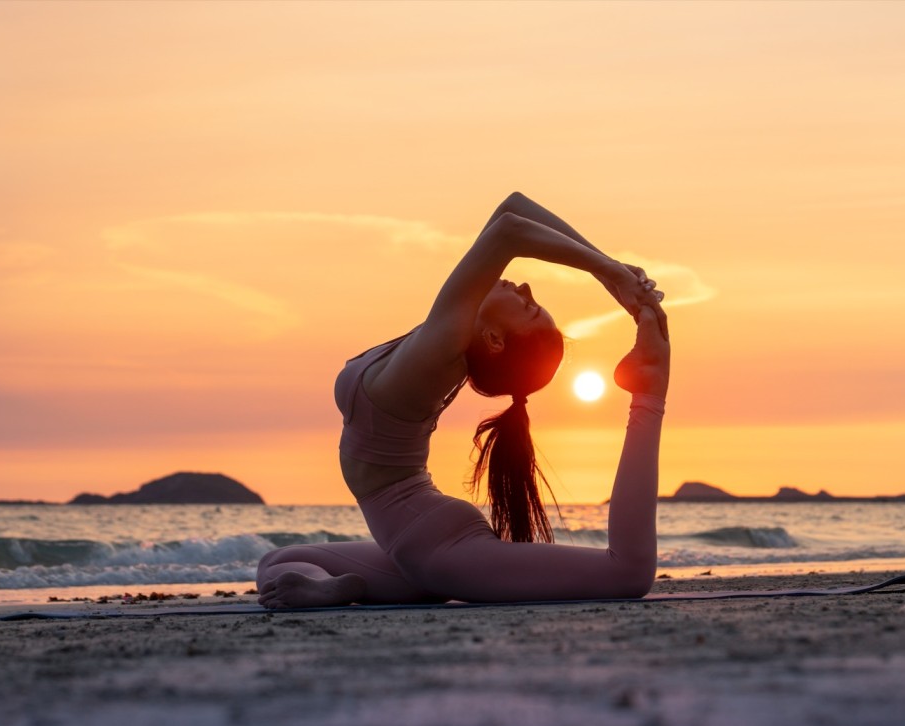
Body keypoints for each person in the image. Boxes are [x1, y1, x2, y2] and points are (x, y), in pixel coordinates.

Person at [256, 192, 670, 608]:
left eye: (527, 306)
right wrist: (606, 271)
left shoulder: (442, 347)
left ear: (493, 339)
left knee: (627, 572)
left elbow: (509, 232)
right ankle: (328, 587)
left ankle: (649, 390)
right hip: (419, 542)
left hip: (435, 547)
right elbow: (513, 208)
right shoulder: (446, 327)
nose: (524, 286)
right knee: (281, 561)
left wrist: (608, 270)